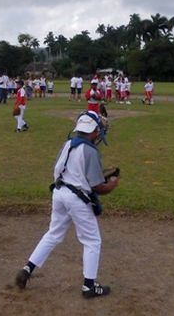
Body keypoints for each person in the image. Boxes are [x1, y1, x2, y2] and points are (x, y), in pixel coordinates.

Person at [15, 111, 120, 298]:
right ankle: (89, 286)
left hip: (59, 193)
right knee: (92, 240)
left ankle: (27, 269)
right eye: (98, 128)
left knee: (53, 234)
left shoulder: (68, 144)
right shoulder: (90, 150)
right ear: (94, 131)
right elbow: (97, 186)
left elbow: (66, 170)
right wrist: (112, 184)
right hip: (77, 199)